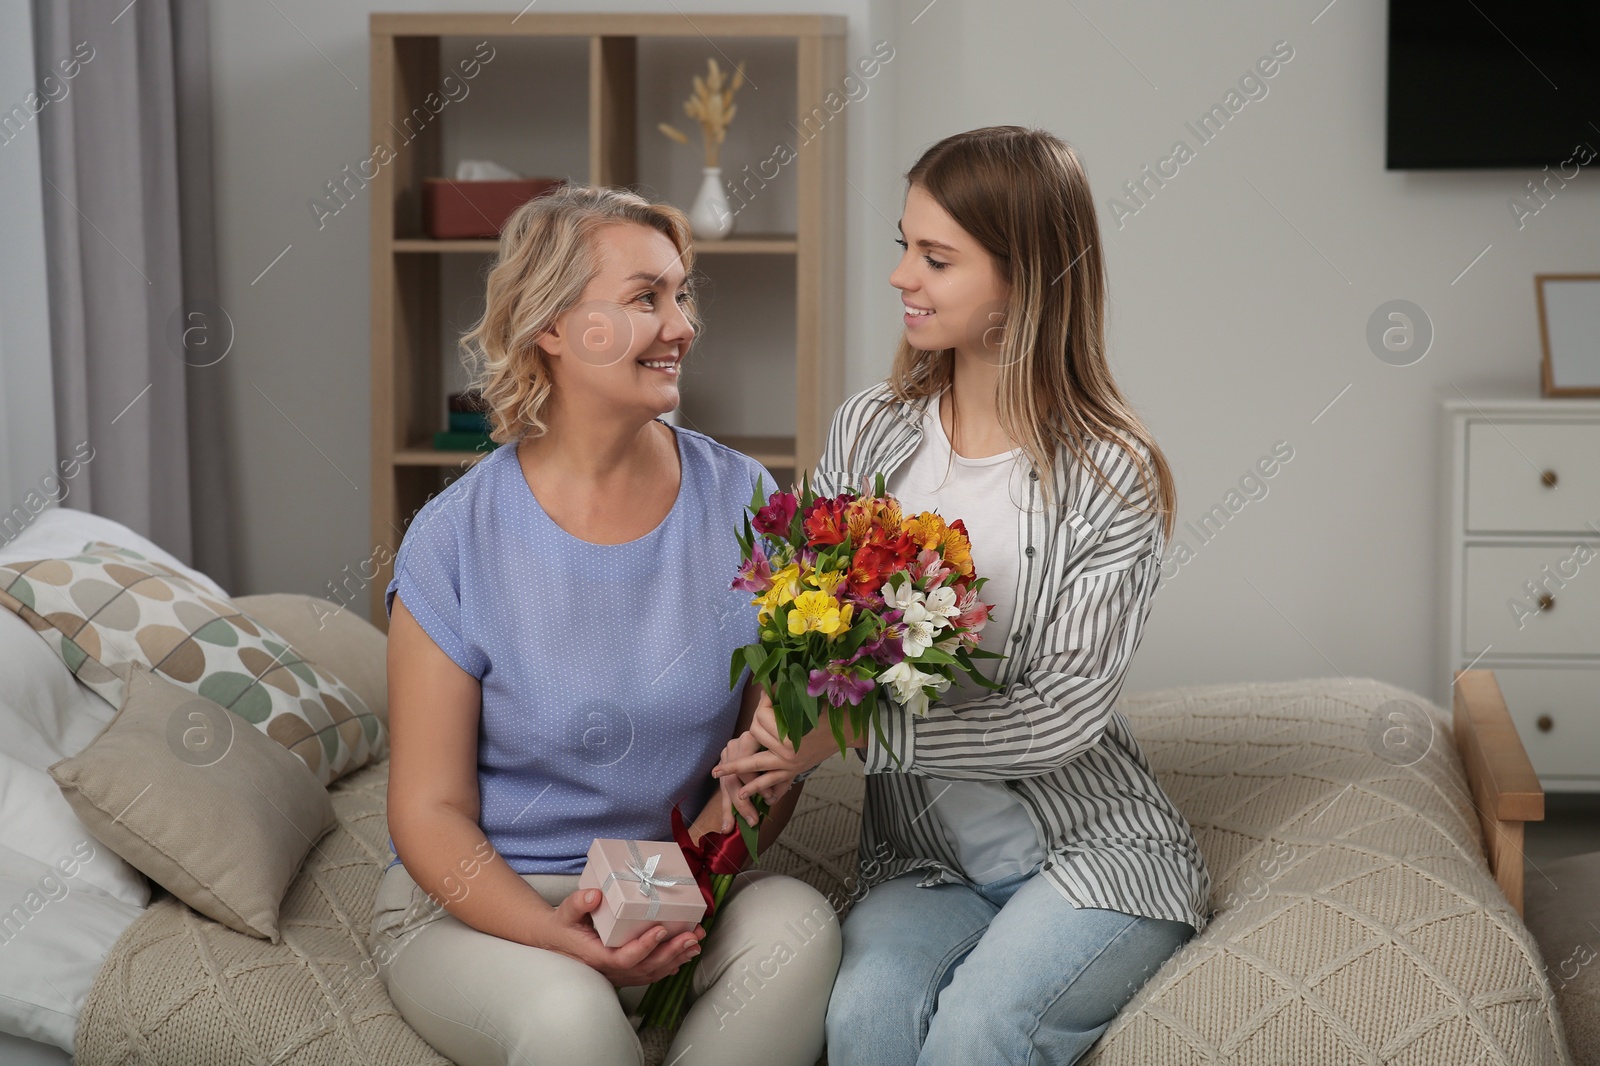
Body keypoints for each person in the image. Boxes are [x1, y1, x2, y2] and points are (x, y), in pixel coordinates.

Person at [712, 126, 1212, 1065]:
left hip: (1095, 859)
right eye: (904, 246)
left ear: (1028, 278)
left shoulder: (1111, 474)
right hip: (925, 868)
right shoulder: (871, 429)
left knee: (980, 1032)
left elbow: (1062, 713)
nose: (903, 276)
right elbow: (805, 627)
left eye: (937, 258)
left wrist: (852, 735)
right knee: (862, 1021)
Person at [370, 184, 840, 1066]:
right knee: (570, 1018)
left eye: (681, 294)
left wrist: (680, 891)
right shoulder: (455, 536)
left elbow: (764, 762)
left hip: (669, 881)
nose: (682, 326)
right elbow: (428, 813)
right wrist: (566, 939)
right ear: (550, 326)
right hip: (485, 903)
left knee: (799, 929)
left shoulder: (747, 501)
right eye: (644, 298)